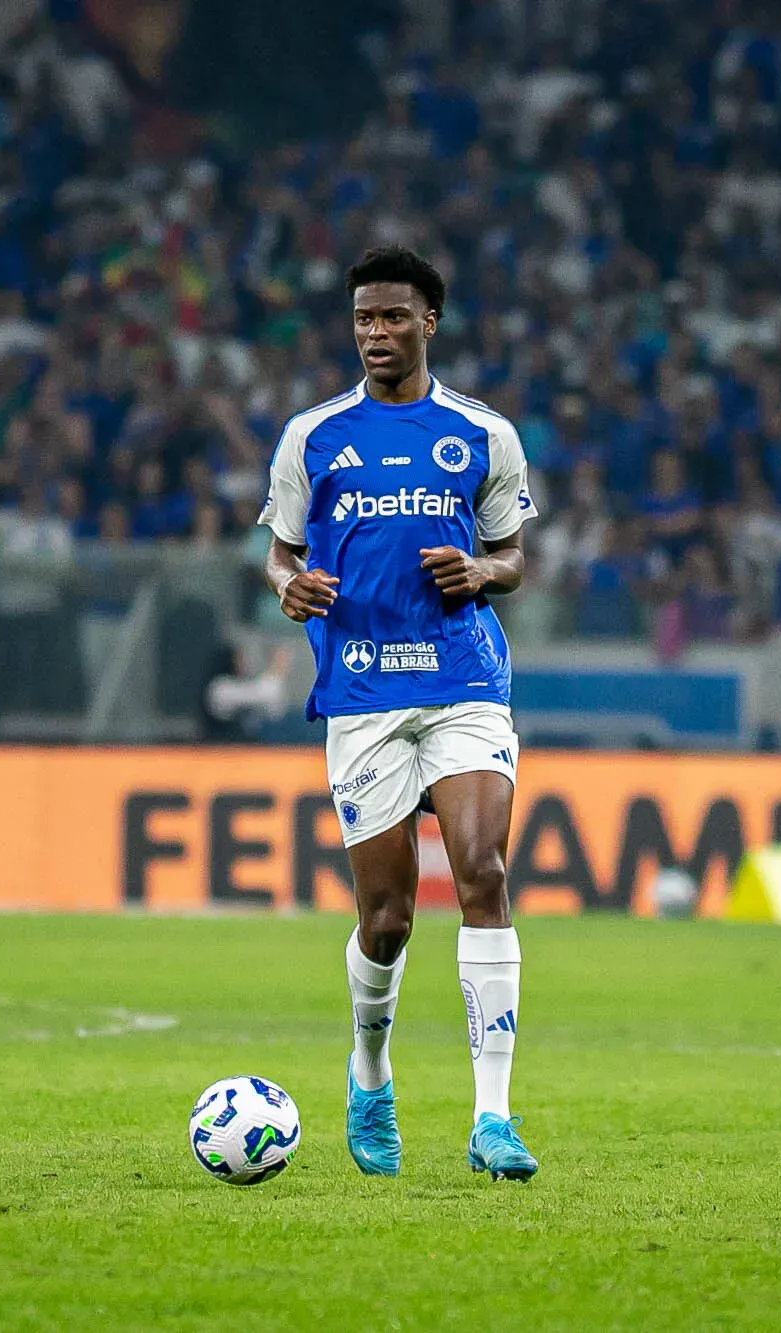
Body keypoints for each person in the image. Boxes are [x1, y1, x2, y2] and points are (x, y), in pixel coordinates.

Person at [259, 246, 540, 1181]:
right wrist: (291, 587)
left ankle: (492, 1118)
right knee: (387, 918)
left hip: (463, 679)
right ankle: (370, 1070)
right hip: (365, 693)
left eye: (393, 317)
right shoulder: (312, 436)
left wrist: (482, 573)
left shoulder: (483, 434)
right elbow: (281, 555)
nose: (376, 333)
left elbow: (511, 555)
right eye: (363, 319)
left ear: (431, 323)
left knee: (483, 870)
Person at [197, 643, 291, 741]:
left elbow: (275, 711)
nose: (244, 663)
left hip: (243, 747)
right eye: (238, 659)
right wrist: (277, 668)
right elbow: (261, 695)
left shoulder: (236, 686)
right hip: (220, 749)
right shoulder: (220, 687)